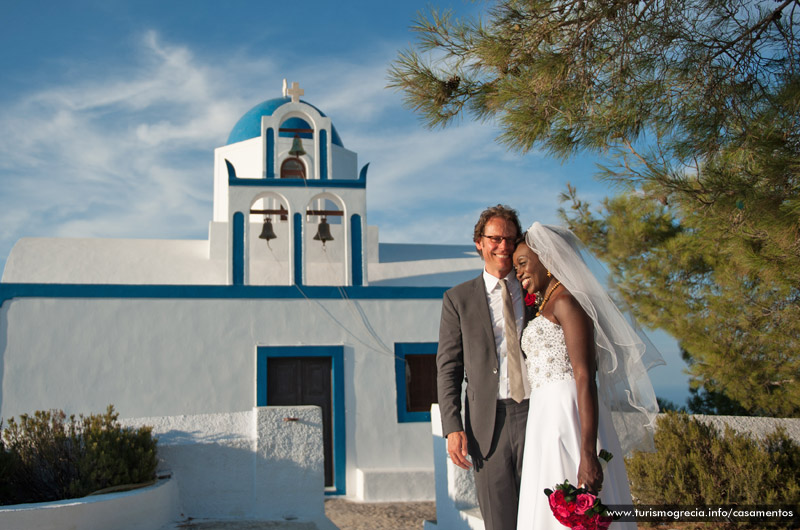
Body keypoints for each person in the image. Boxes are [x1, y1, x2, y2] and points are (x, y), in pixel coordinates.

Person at [513, 222, 663, 529]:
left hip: (570, 418)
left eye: (523, 263)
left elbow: (584, 375)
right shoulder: (547, 305)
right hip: (545, 418)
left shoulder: (567, 302)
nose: (519, 273)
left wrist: (588, 453)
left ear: (547, 257)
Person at [437, 204, 532, 530]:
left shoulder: (537, 290)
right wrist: (452, 426)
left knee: (544, 513)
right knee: (499, 520)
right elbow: (448, 367)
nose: (503, 246)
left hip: (538, 414)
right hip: (486, 425)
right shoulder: (457, 299)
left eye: (510, 239)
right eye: (495, 239)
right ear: (479, 242)